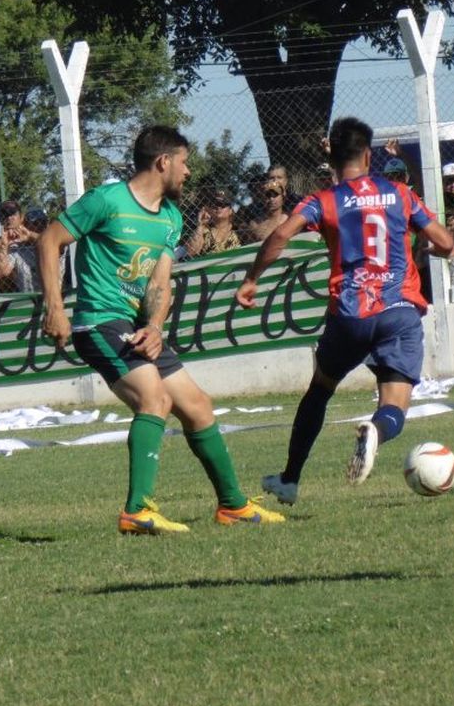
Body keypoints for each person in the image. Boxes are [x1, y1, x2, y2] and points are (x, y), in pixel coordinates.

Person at [37, 124, 284, 534]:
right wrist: (55, 308)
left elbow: (159, 283)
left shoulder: (170, 217)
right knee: (154, 399)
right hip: (98, 321)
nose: (188, 172)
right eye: (184, 163)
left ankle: (233, 506)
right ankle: (137, 510)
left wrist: (154, 326)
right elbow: (49, 240)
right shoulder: (107, 199)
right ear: (163, 161)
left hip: (136, 327)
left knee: (198, 405)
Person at [236, 117, 454, 505]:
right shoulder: (401, 194)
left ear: (330, 155)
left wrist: (252, 278)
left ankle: (289, 479)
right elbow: (444, 242)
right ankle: (377, 429)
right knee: (393, 404)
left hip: (350, 314)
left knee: (319, 391)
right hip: (399, 311)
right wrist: (432, 247)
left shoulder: (323, 201)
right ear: (369, 155)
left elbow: (280, 236)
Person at [184, 189, 244, 257]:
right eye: (215, 204)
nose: (218, 207)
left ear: (230, 210)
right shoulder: (205, 231)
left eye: (223, 205)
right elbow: (191, 252)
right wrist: (200, 225)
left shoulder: (239, 231)